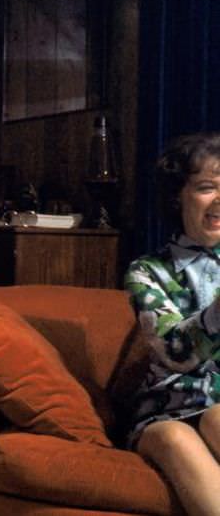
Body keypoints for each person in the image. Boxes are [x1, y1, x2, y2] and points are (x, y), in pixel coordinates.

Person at [123, 132, 220, 516]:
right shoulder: (147, 271)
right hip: (166, 406)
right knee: (175, 439)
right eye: (206, 187)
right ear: (177, 195)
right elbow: (176, 351)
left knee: (217, 418)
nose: (219, 200)